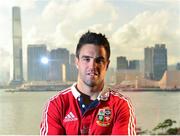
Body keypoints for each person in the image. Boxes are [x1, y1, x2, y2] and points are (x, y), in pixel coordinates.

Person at [40, 31, 136, 135]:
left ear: (107, 65)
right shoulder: (56, 105)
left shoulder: (120, 105)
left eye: (99, 61)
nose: (92, 66)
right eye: (86, 59)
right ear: (76, 62)